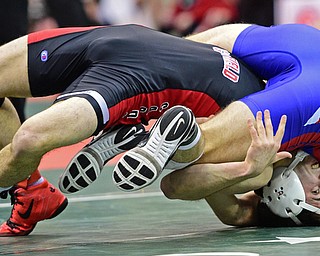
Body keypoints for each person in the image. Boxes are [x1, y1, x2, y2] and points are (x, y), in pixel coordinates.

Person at [0, 24, 264, 236]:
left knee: (29, 140)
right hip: (120, 42)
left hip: (133, 64)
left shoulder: (265, 130)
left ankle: (137, 132)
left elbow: (202, 195)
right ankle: (33, 189)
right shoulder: (268, 138)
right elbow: (228, 208)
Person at [110, 23, 320, 226]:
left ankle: (124, 114)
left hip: (303, 49)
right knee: (190, 147)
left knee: (159, 53)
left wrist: (246, 169)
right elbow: (176, 187)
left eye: (317, 192)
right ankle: (139, 134)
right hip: (306, 88)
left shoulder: (261, 172)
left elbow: (232, 214)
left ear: (280, 196)